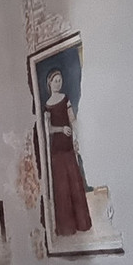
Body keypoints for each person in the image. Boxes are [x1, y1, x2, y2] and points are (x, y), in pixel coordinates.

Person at [43, 67, 92, 235]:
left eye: (60, 80)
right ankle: (66, 227)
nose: (58, 83)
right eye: (55, 81)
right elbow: (48, 128)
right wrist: (61, 129)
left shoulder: (65, 99)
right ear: (50, 83)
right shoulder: (47, 105)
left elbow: (73, 120)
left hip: (68, 147)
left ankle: (82, 223)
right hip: (57, 149)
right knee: (62, 186)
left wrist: (77, 138)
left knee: (75, 183)